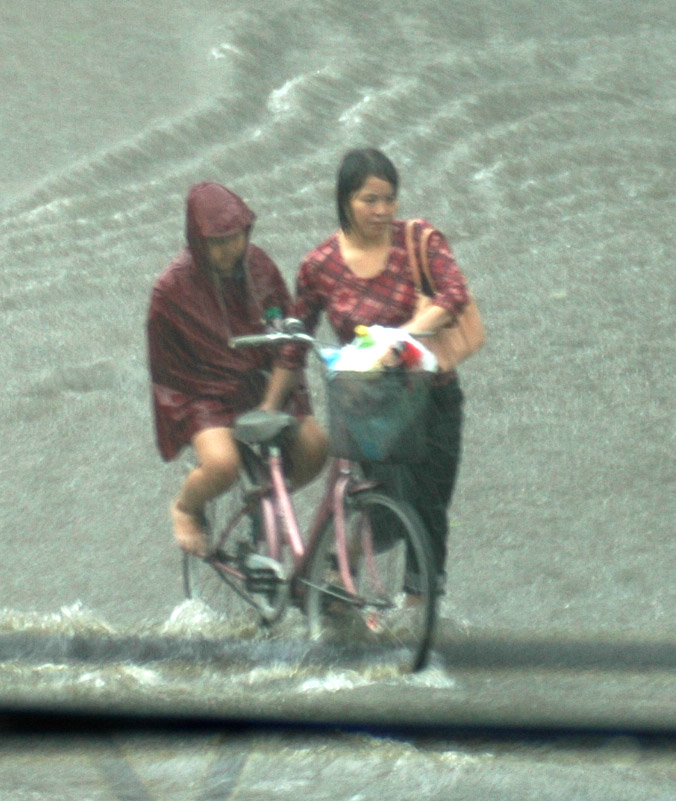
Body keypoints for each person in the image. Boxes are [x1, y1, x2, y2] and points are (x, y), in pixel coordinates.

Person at [295, 148, 470, 595]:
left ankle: (420, 606)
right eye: (368, 200)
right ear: (344, 200)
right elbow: (298, 335)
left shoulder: (421, 241)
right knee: (382, 504)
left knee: (430, 507)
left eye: (388, 199)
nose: (381, 210)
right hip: (370, 402)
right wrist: (284, 397)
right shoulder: (320, 265)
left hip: (432, 396)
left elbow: (454, 294)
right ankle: (338, 573)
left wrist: (405, 334)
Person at [147, 182, 327, 557]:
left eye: (236, 237)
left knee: (315, 447)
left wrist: (272, 401)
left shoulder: (260, 266)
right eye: (217, 241)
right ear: (198, 242)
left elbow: (287, 337)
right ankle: (185, 507)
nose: (230, 248)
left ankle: (267, 499)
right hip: (204, 394)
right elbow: (167, 372)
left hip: (262, 382)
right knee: (221, 465)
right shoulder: (171, 290)